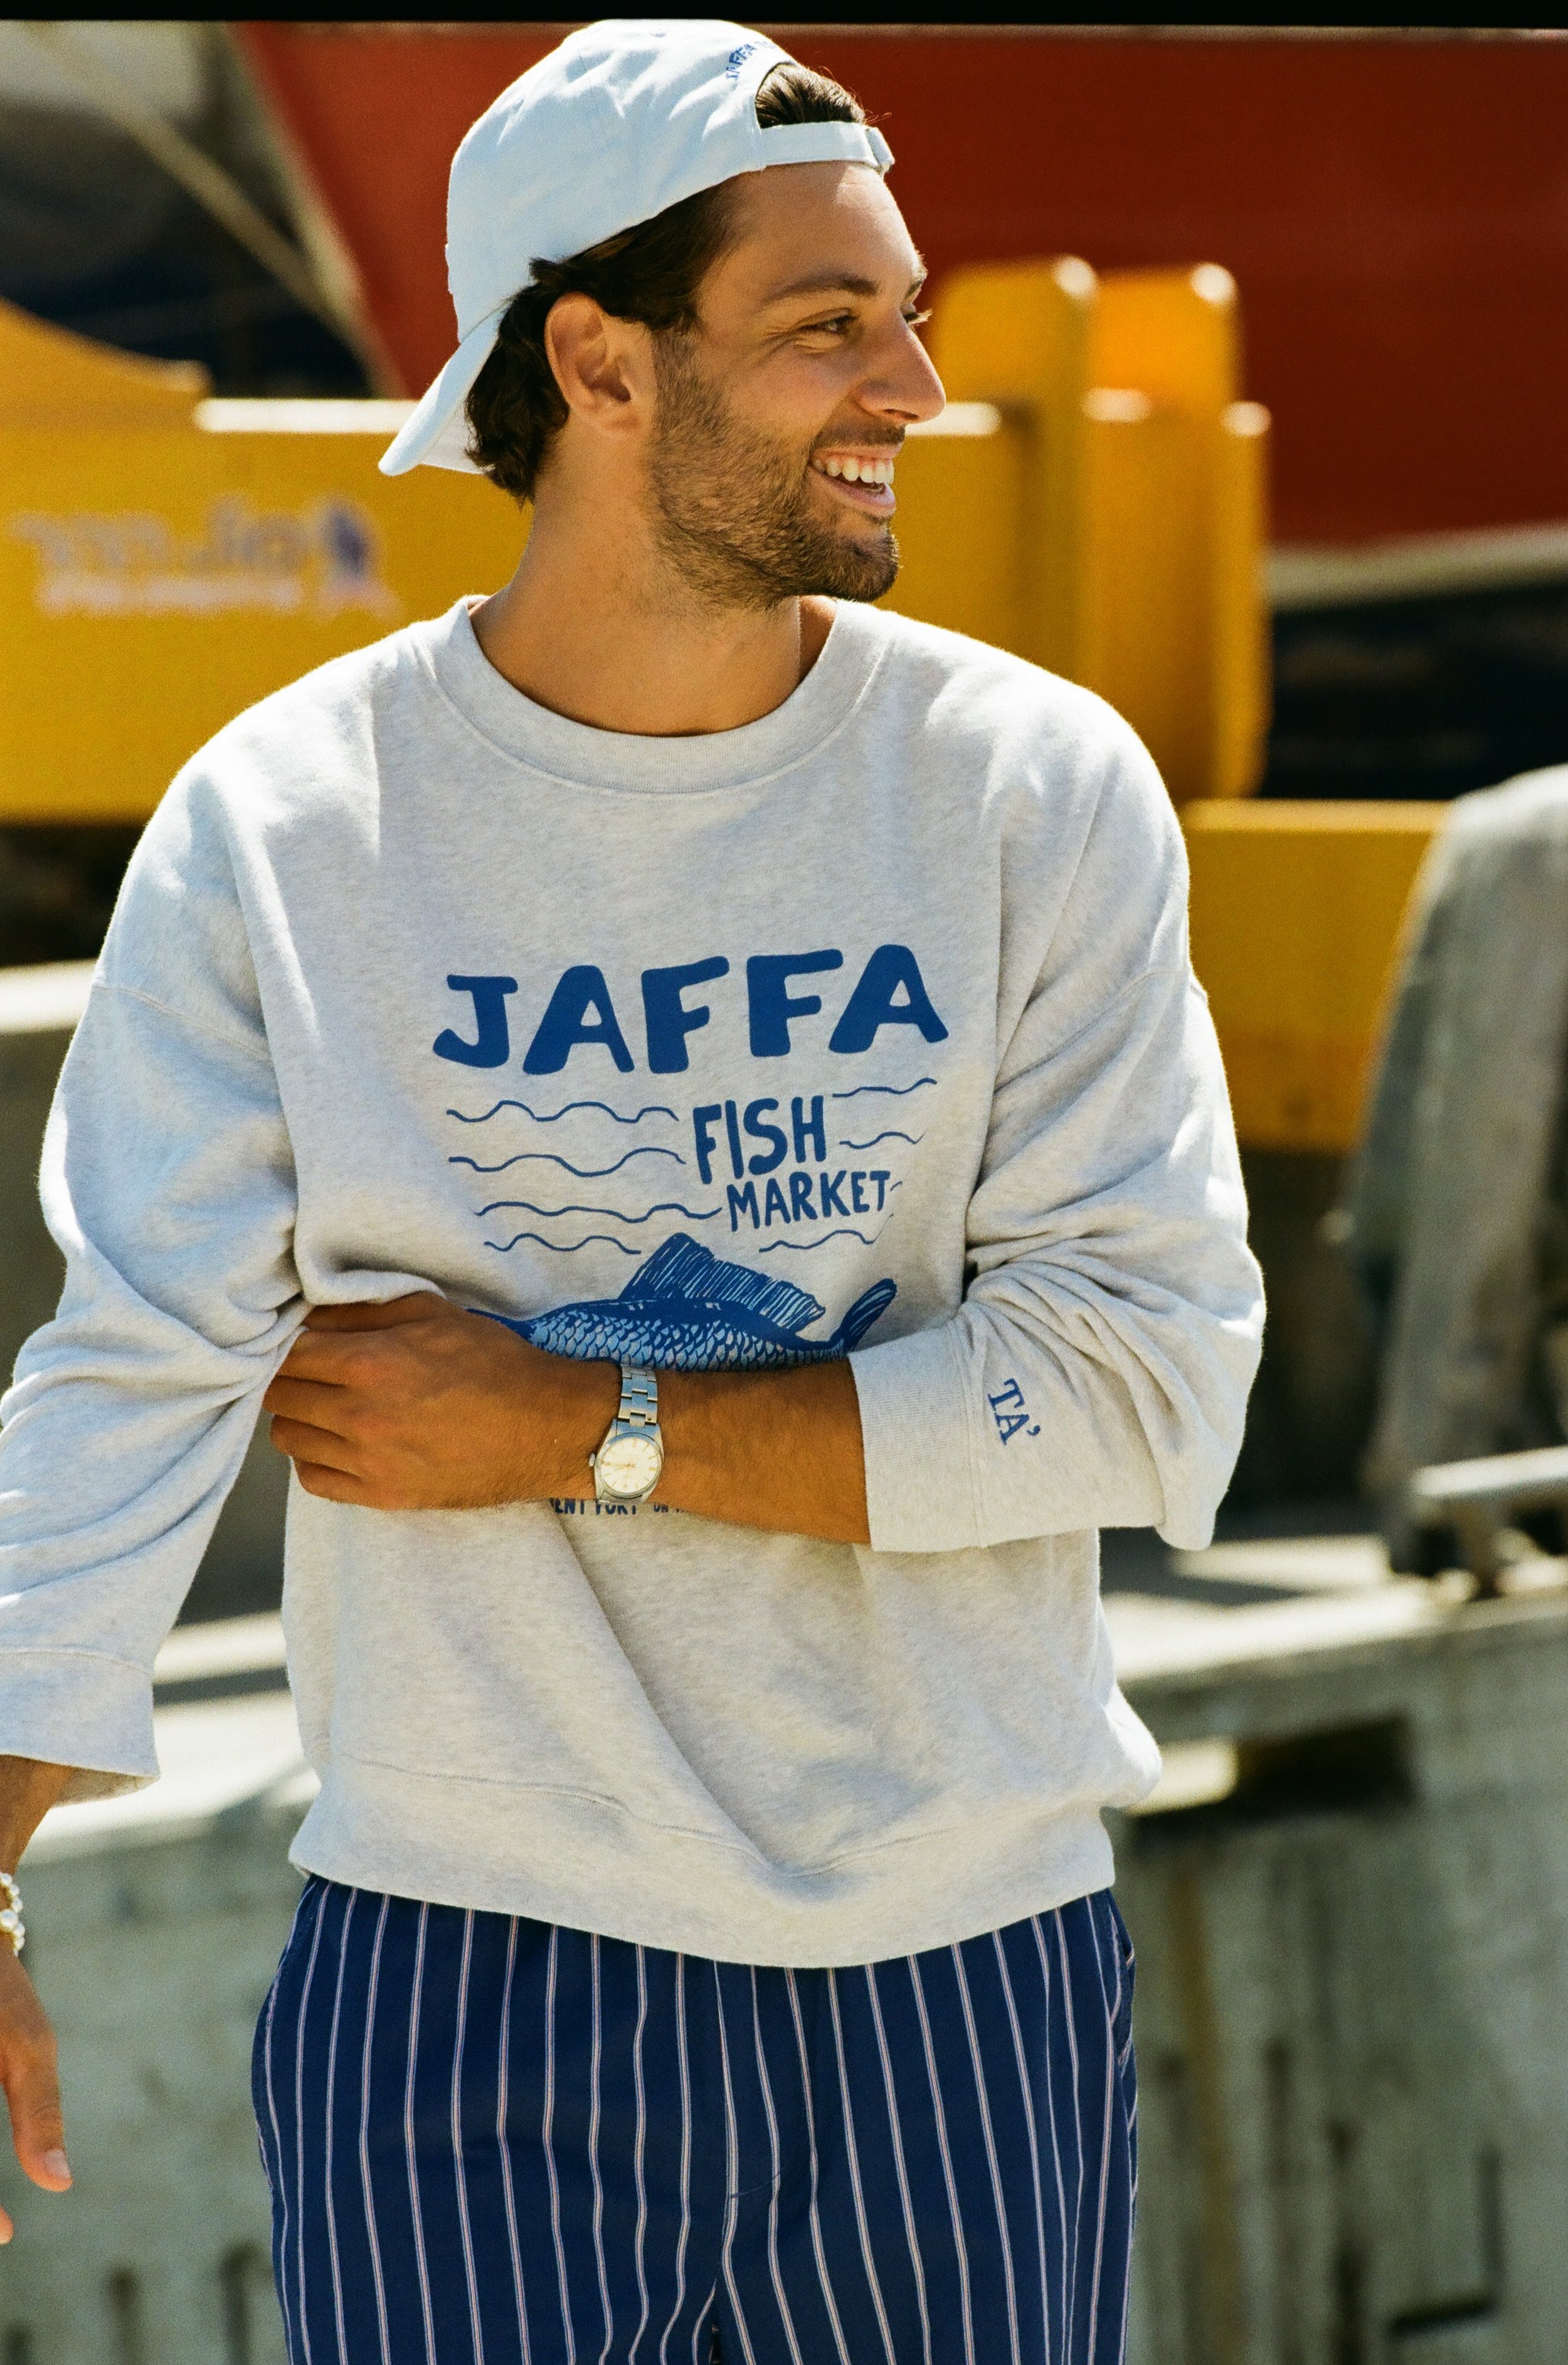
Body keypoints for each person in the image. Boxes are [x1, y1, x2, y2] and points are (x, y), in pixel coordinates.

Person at [0, 21, 1263, 2361]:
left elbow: (1147, 1394)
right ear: (591, 358)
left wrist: (584, 1421)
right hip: (469, 1982)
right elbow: (131, 1372)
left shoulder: (1026, 791)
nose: (908, 383)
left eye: (906, 312)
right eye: (826, 325)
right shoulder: (294, 829)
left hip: (959, 1966)